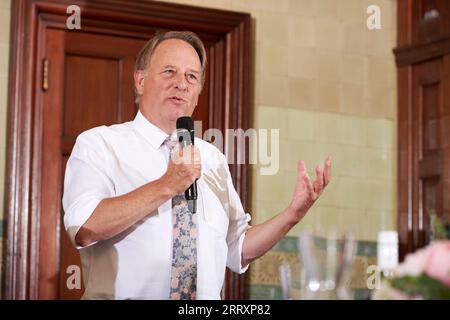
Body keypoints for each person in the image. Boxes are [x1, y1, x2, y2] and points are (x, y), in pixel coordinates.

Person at [62, 30, 331, 300]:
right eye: (169, 72)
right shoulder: (100, 145)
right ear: (140, 80)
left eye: (192, 76)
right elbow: (84, 227)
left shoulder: (213, 158)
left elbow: (237, 247)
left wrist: (291, 215)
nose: (182, 84)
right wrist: (168, 185)